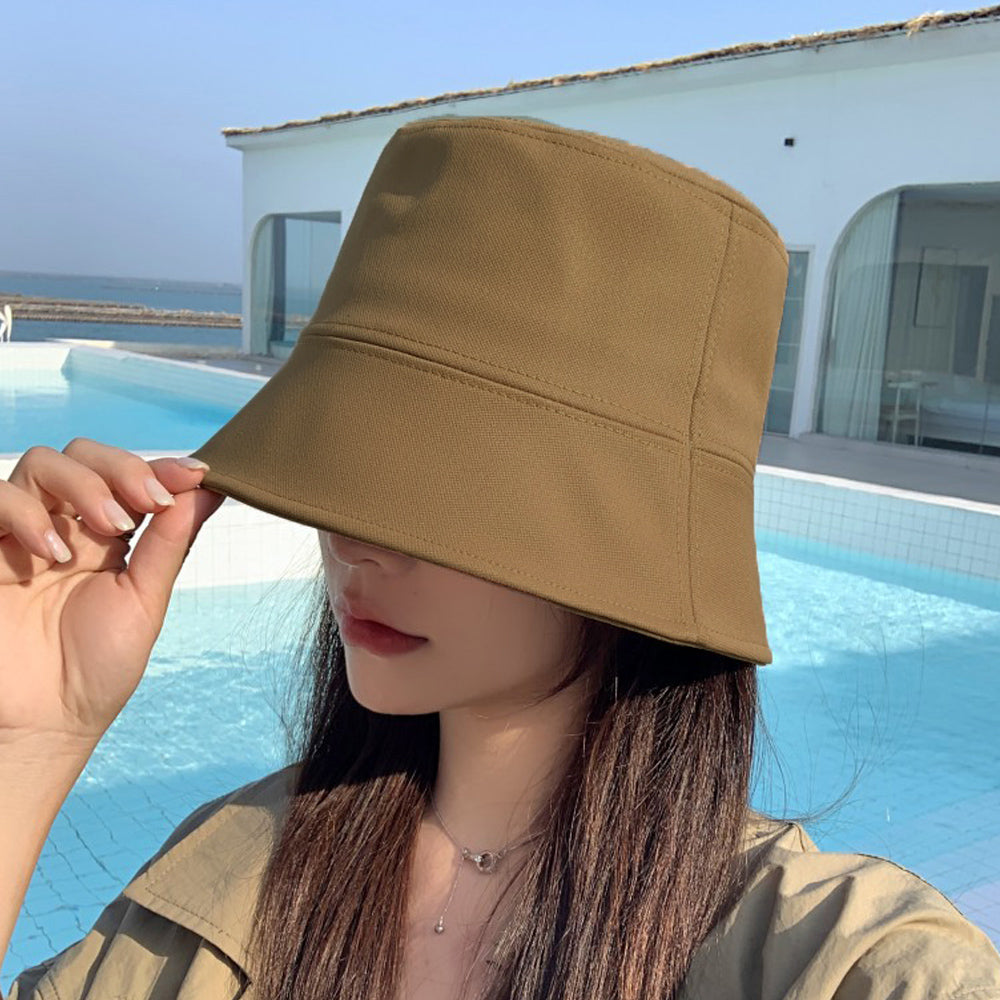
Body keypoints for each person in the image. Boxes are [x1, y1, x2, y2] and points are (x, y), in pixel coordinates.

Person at [2, 115, 998, 1000]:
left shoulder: (818, 950)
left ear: (633, 532)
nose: (355, 537)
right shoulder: (225, 878)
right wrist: (30, 740)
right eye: (355, 465)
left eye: (450, 485)